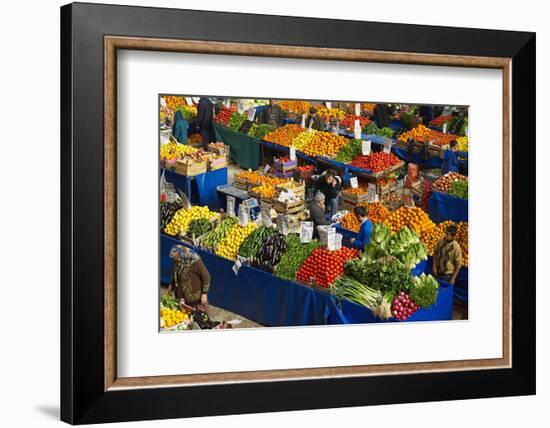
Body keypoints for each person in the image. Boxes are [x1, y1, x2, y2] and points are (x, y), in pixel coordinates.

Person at [168, 245, 211, 309]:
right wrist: (171, 285)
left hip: (196, 299)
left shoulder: (194, 261)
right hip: (182, 298)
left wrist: (204, 294)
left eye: (176, 258)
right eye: (174, 258)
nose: (174, 260)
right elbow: (176, 273)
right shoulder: (178, 260)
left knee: (198, 317)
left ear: (181, 254)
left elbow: (206, 276)